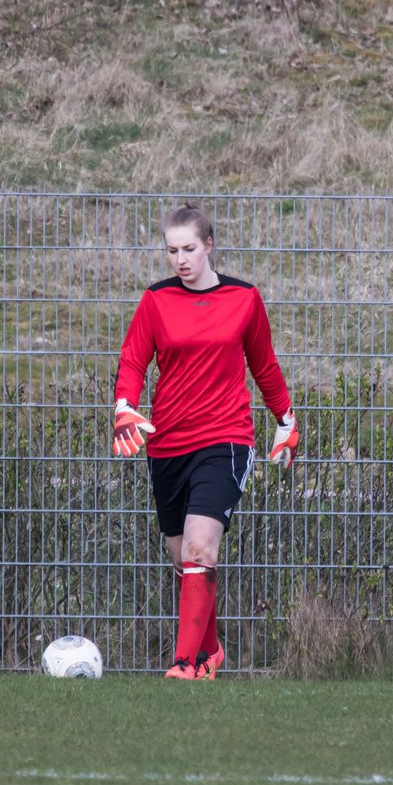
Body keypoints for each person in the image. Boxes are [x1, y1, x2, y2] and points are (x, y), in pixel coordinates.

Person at [112, 203, 299, 680]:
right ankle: (211, 648)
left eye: (189, 248)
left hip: (225, 439)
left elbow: (264, 364)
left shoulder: (244, 298)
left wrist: (286, 420)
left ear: (209, 245)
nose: (180, 259)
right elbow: (133, 361)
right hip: (167, 445)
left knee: (200, 549)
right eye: (171, 250)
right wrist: (124, 406)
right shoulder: (155, 300)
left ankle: (186, 663)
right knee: (182, 558)